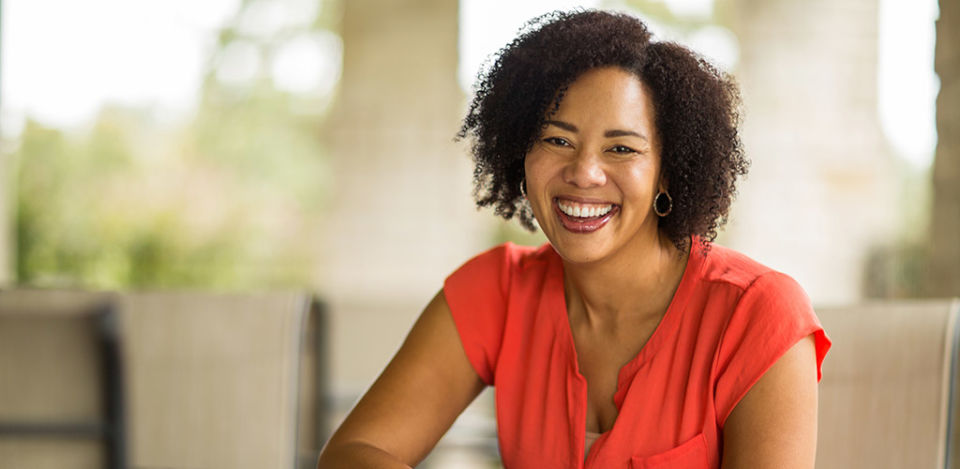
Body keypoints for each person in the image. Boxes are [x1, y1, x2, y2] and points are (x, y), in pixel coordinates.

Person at [317, 9, 830, 469]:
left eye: (622, 149)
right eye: (557, 140)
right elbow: (355, 452)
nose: (584, 172)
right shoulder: (496, 292)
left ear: (668, 174)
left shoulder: (758, 316)